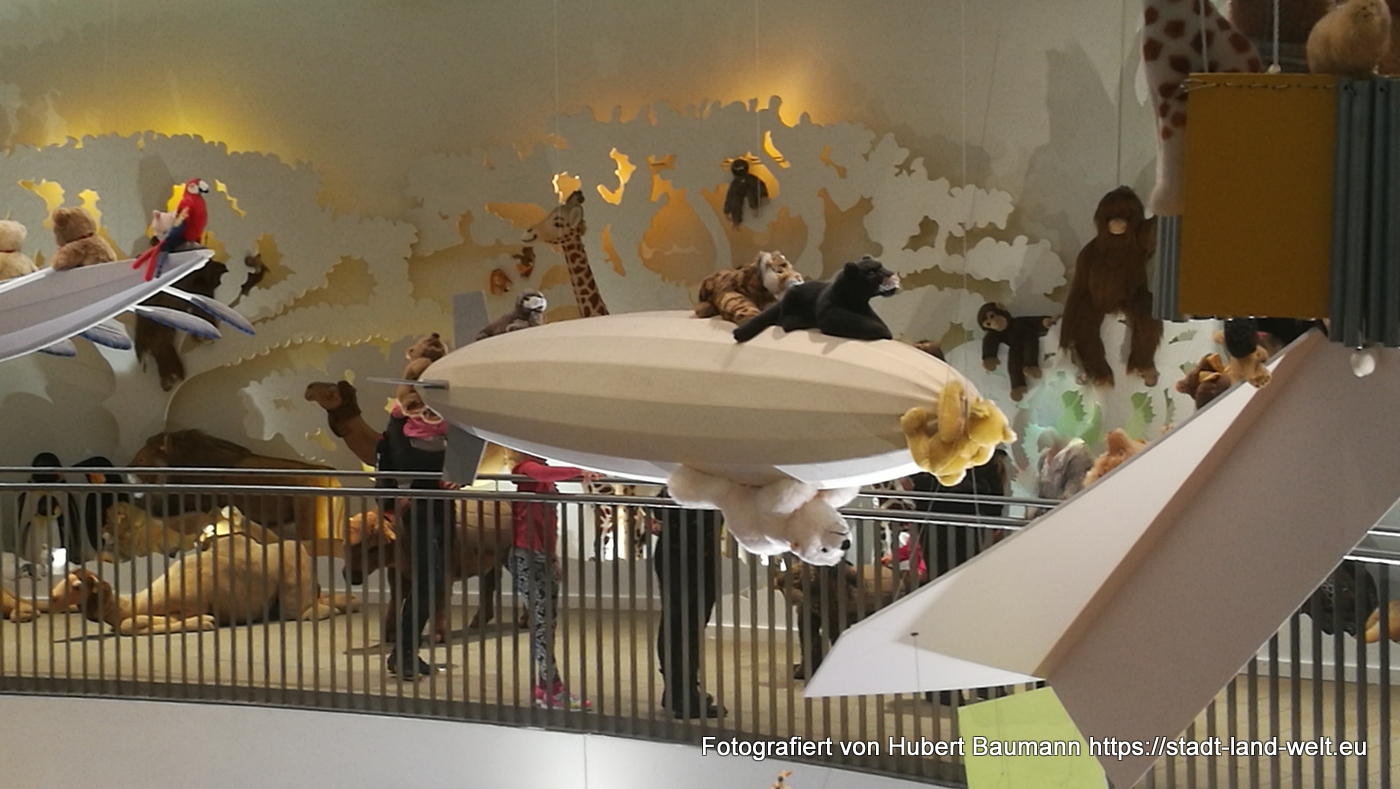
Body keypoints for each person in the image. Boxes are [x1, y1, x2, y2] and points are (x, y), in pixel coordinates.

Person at [510, 451, 595, 710]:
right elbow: (541, 473)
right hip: (527, 555)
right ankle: (552, 688)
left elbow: (548, 522)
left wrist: (553, 557)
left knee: (546, 623)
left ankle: (545, 686)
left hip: (542, 556)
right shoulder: (525, 468)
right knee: (542, 625)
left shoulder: (543, 479)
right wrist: (579, 470)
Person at [374, 407, 452, 680]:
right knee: (427, 580)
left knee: (433, 581)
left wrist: (456, 477)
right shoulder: (400, 421)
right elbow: (399, 464)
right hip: (415, 508)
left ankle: (405, 653)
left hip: (440, 506)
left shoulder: (450, 421)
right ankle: (404, 653)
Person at [649, 490, 724, 719]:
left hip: (694, 548)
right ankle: (682, 693)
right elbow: (660, 507)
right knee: (683, 620)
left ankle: (681, 689)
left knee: (687, 620)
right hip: (684, 549)